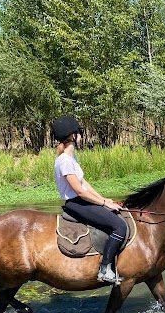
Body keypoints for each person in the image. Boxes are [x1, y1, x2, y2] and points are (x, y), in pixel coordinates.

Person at [53, 116, 128, 284]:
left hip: (82, 201)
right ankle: (105, 269)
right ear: (72, 136)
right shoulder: (64, 161)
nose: (81, 135)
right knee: (119, 226)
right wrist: (102, 203)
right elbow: (79, 191)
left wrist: (104, 199)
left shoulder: (72, 158)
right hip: (77, 204)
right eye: (79, 132)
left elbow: (84, 183)